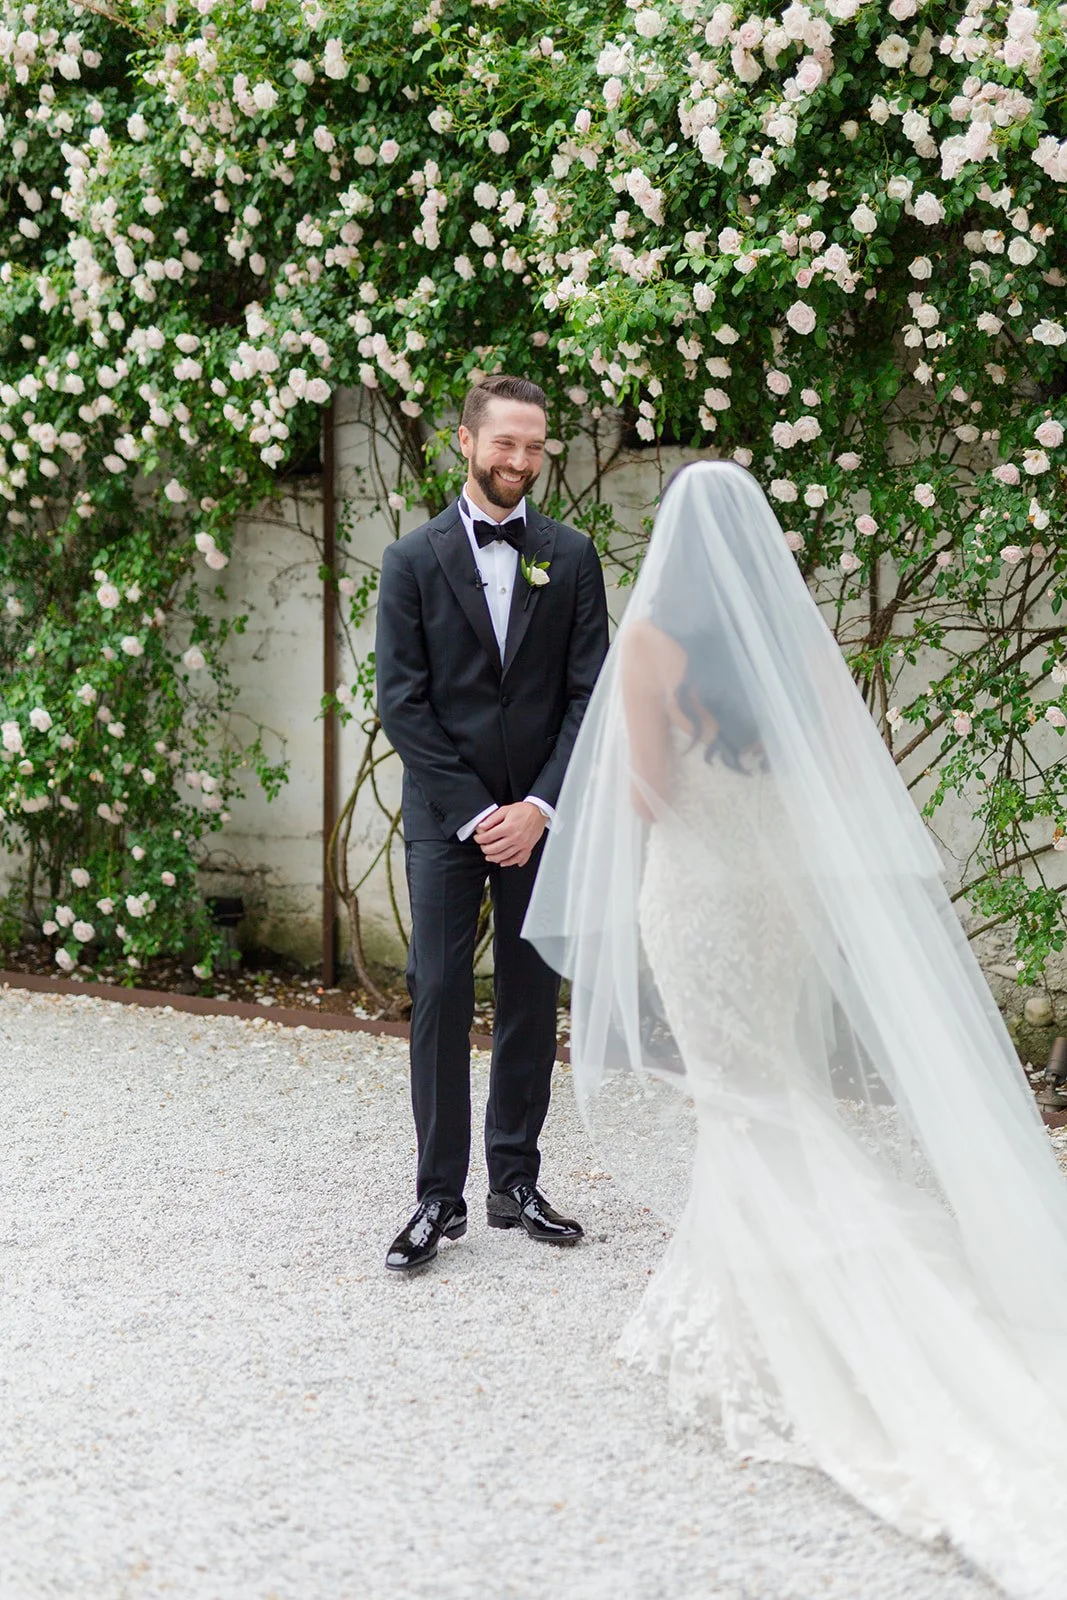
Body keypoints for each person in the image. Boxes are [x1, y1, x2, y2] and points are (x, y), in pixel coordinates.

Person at [524, 460, 1067, 1598]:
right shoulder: (793, 649)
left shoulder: (652, 649)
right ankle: (734, 1293)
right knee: (776, 1090)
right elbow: (825, 776)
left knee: (738, 1099)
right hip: (775, 898)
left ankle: (771, 1325)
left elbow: (645, 795)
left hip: (699, 894)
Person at [376, 374, 609, 1273]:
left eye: (534, 446)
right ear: (465, 442)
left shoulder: (572, 555)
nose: (520, 460)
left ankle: (515, 1181)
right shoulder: (410, 560)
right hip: (448, 817)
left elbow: (589, 695)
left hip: (541, 818)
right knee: (437, 992)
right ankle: (438, 1198)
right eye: (504, 443)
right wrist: (479, 813)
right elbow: (403, 705)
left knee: (527, 993)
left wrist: (540, 807)